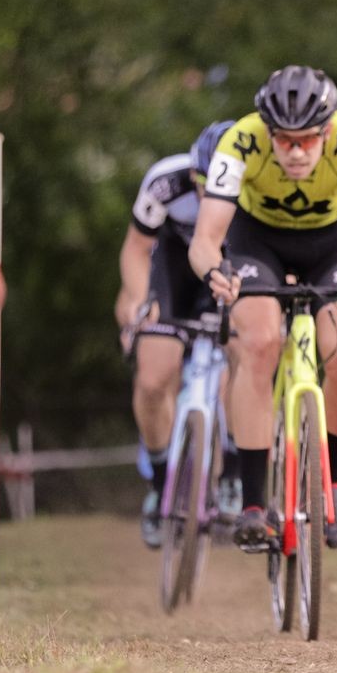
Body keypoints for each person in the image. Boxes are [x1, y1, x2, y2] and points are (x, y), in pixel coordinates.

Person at [189, 65, 337, 550]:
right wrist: (215, 273)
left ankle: (334, 483)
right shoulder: (241, 143)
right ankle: (252, 502)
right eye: (283, 140)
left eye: (307, 141)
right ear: (267, 132)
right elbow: (206, 239)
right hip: (257, 244)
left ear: (327, 132)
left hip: (334, 242)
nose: (294, 152)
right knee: (260, 343)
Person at [114, 120, 240, 549]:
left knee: (248, 355)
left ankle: (238, 473)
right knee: (152, 378)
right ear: (192, 174)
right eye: (205, 185)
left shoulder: (262, 186)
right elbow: (135, 247)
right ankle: (159, 481)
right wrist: (137, 301)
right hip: (173, 275)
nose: (214, 196)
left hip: (233, 274)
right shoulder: (164, 182)